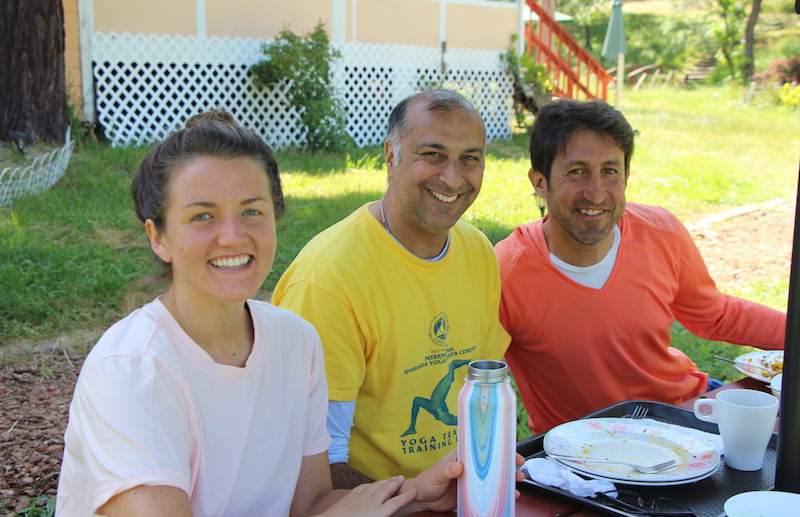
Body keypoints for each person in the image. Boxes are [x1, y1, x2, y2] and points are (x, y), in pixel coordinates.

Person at [55, 110, 467, 516]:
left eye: (252, 211)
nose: (233, 236)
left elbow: (312, 504)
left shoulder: (295, 341)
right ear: (158, 236)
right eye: (203, 216)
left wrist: (416, 494)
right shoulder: (132, 370)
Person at [496, 99, 786, 434]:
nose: (596, 193)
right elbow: (473, 376)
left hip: (689, 413)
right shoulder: (506, 270)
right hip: (583, 453)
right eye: (577, 172)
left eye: (610, 171)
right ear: (539, 182)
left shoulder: (660, 231)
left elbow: (714, 314)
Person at [272, 89, 511, 487]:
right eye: (433, 155)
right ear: (390, 155)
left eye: (470, 159)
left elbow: (480, 397)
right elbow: (314, 468)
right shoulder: (329, 279)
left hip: (464, 489)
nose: (452, 178)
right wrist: (413, 496)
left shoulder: (477, 251)